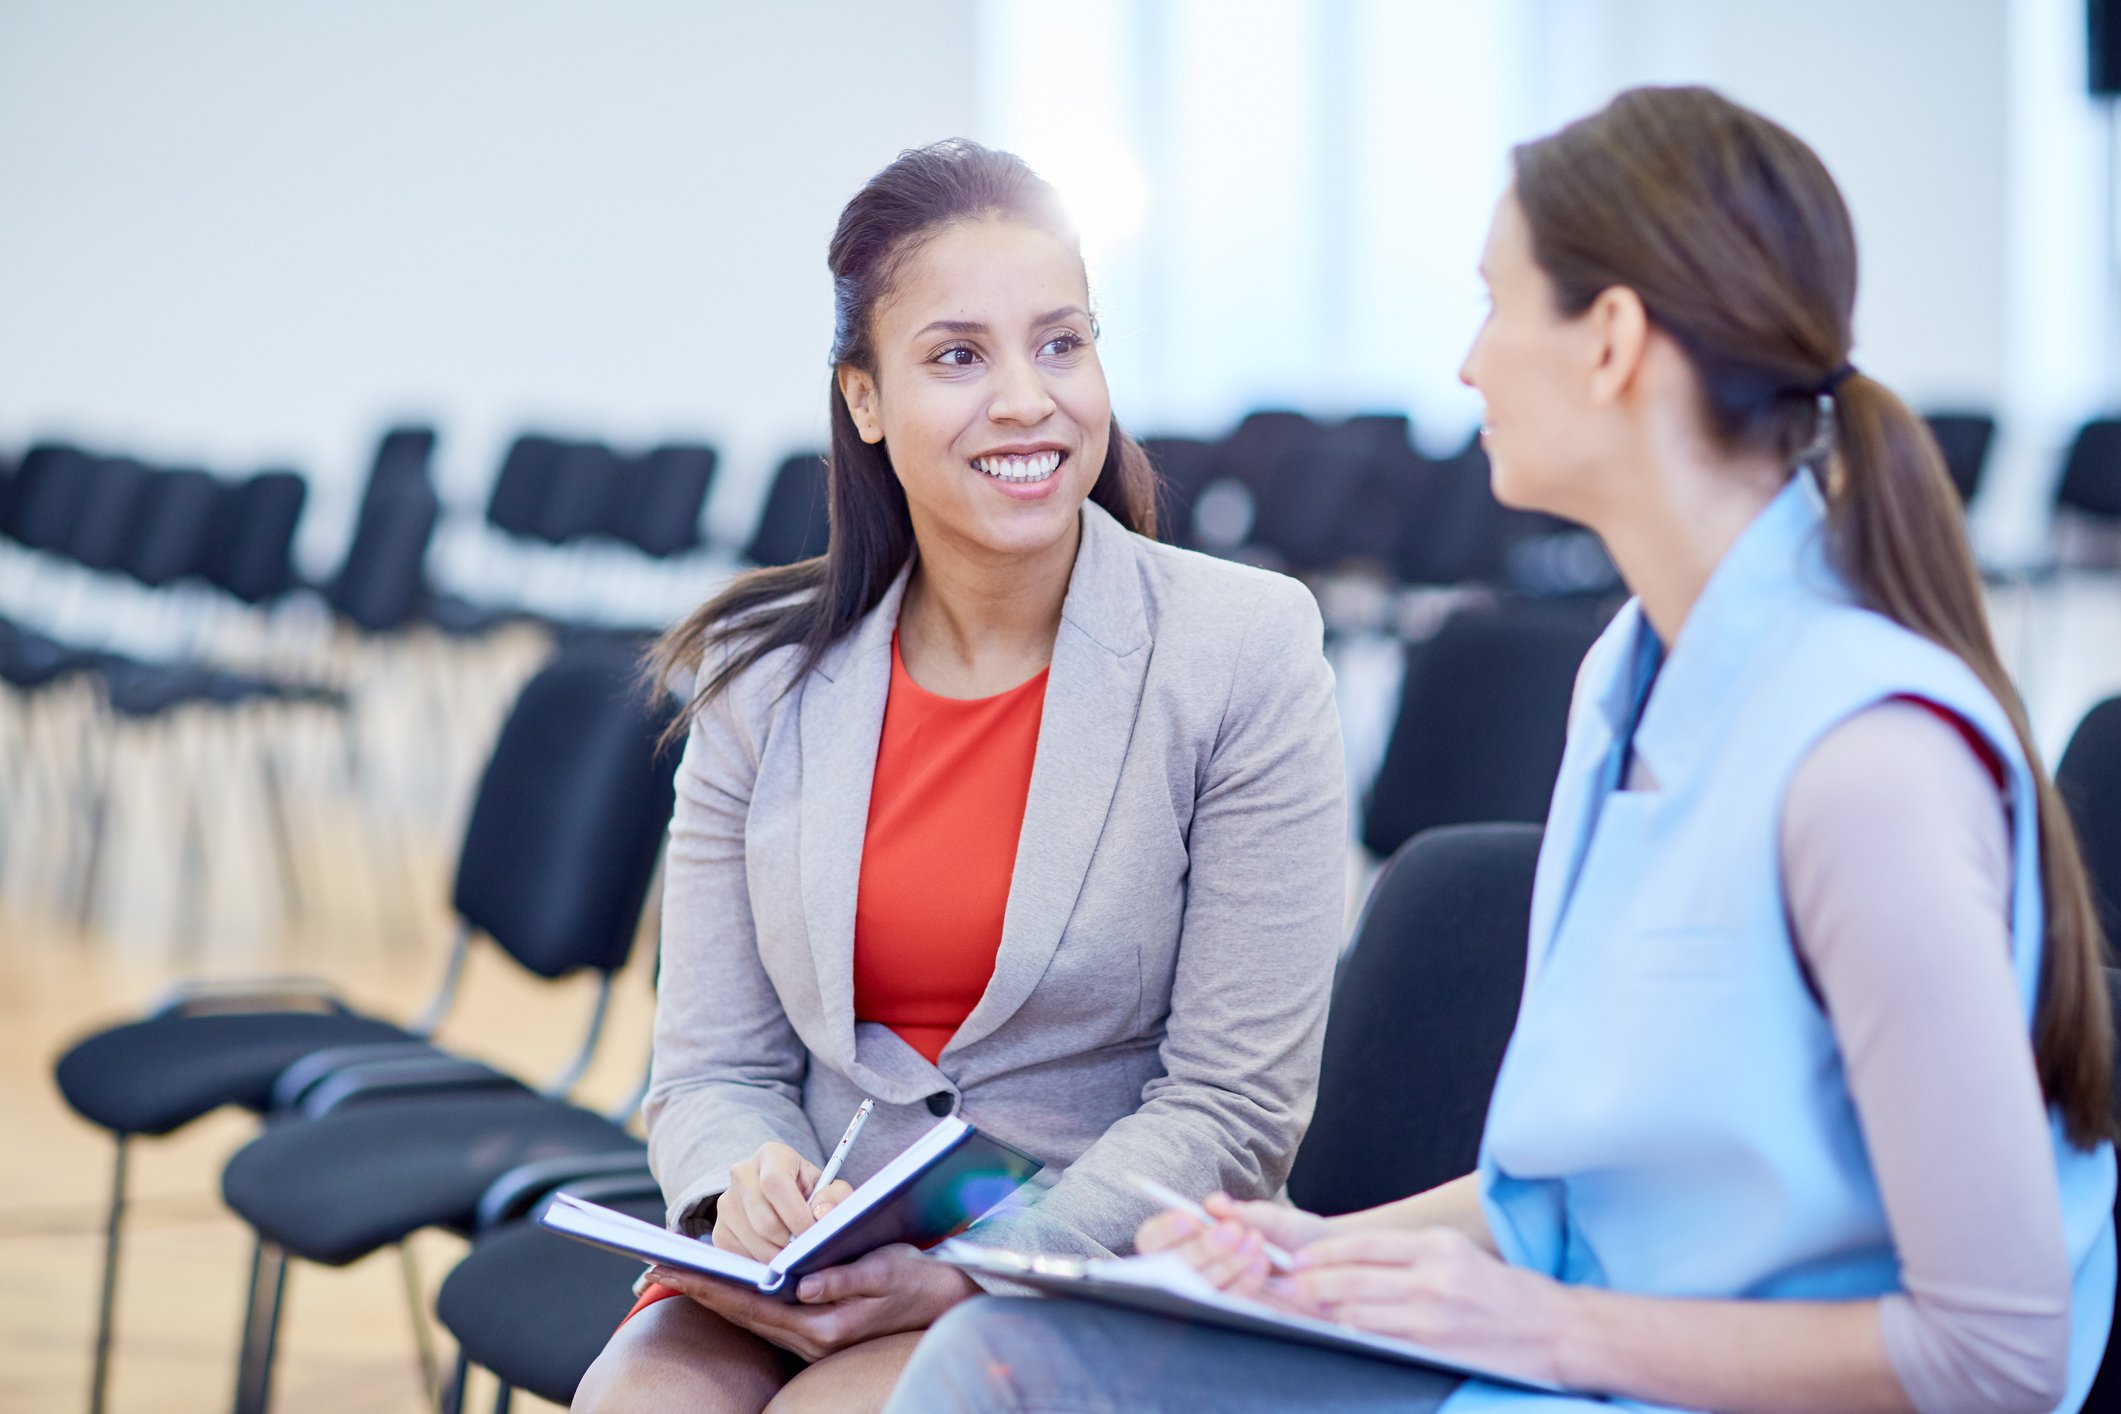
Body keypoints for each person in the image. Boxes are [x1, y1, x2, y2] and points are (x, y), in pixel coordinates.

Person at [886, 86, 2118, 1414]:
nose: (1469, 362)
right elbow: (1587, 1186)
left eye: (1494, 301)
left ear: (1611, 344)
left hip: (1666, 1382)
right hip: (1564, 1362)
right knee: (1001, 1359)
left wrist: (1545, 1327)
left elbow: (1994, 1359)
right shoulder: (1624, 680)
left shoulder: (1868, 761)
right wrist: (1321, 1250)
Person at [570, 139, 1348, 1413]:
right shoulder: (762, 679)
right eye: (956, 356)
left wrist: (979, 1266)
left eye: (1060, 343)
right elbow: (709, 1070)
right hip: (803, 1259)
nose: (1028, 399)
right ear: (864, 398)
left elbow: (1233, 1104)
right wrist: (746, 1184)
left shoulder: (1242, 649)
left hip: (1087, 1256)